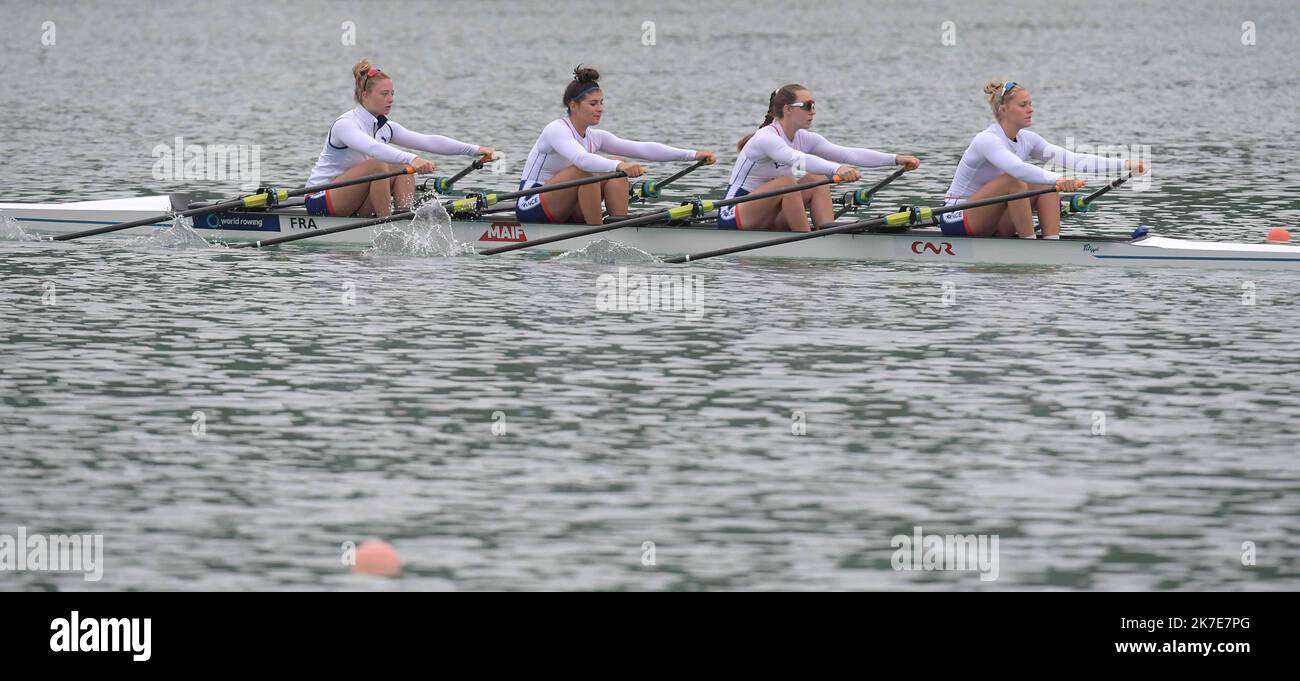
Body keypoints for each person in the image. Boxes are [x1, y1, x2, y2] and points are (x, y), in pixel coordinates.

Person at [304, 59, 495, 218]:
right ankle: (388, 227)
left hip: (353, 199)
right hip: (319, 199)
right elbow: (373, 148)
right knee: (379, 166)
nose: (391, 99)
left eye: (392, 94)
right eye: (384, 94)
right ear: (365, 96)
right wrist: (412, 159)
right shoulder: (345, 125)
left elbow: (428, 141)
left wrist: (475, 149)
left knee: (403, 169)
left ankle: (404, 217)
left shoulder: (385, 128)